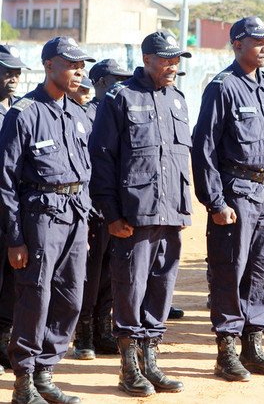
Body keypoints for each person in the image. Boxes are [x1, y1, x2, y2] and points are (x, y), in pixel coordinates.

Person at [89, 30, 190, 396]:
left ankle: (150, 361)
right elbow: (101, 160)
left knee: (162, 287)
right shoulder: (120, 98)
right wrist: (112, 214)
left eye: (176, 60)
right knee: (129, 287)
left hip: (171, 213)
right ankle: (128, 366)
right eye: (166, 59)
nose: (172, 66)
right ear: (147, 59)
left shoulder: (178, 100)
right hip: (133, 215)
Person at [191, 16, 264, 382]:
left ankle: (253, 345)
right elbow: (204, 149)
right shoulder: (223, 87)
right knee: (230, 269)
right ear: (237, 44)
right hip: (237, 194)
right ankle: (226, 350)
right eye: (257, 41)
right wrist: (215, 202)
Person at [0, 36, 95, 404]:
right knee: (34, 299)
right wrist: (14, 238)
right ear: (49, 66)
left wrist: (84, 222)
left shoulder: (76, 113)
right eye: (71, 64)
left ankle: (44, 372)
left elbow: (84, 174)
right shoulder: (24, 113)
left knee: (70, 297)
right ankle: (23, 381)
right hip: (38, 219)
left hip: (74, 217)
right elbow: (5, 179)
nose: (78, 71)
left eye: (80, 65)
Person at [72, 59, 133, 361]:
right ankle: (84, 335)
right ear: (99, 83)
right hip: (93, 206)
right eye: (116, 79)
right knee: (91, 273)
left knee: (112, 270)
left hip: (118, 206)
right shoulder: (85, 114)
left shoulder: (123, 111)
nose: (122, 84)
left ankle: (103, 329)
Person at [0, 44, 29, 377]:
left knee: (11, 282)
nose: (14, 77)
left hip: (13, 213)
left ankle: (3, 340)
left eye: (17, 71)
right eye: (7, 71)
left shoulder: (19, 111)